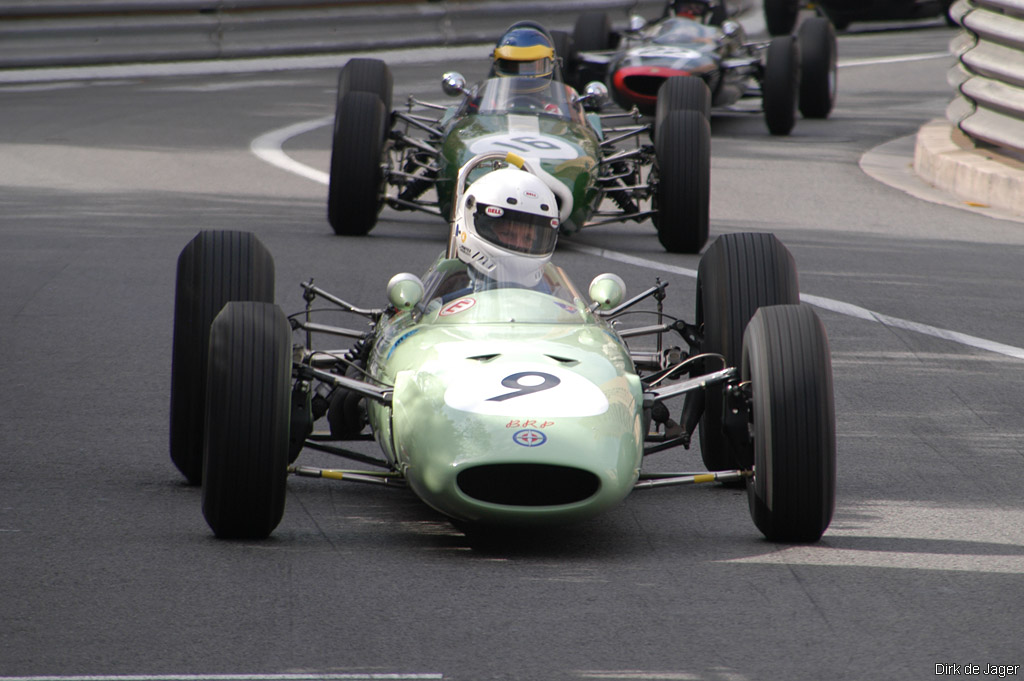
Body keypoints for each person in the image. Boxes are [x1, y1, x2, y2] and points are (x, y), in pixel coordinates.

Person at [451, 165, 560, 290]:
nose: (519, 245)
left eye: (528, 238)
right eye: (508, 234)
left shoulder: (552, 296)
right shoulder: (448, 297)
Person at [490, 22, 557, 81]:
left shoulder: (559, 93)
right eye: (513, 67)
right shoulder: (493, 93)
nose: (523, 77)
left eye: (530, 66)